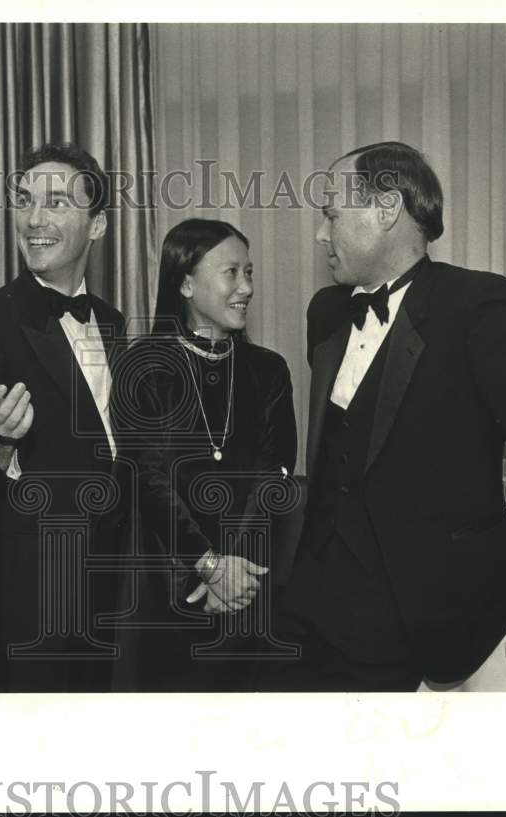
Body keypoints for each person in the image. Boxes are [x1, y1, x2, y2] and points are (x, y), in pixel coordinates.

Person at [268, 141, 506, 691]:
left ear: (386, 209)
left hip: (435, 616)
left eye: (331, 216)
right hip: (316, 608)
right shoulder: (328, 312)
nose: (321, 234)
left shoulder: (477, 307)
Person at [0, 142, 128, 692]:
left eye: (55, 203)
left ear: (96, 226)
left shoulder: (113, 321)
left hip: (115, 582)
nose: (33, 219)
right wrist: (0, 442)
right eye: (25, 201)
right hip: (33, 587)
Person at [111, 218, 297, 691]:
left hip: (249, 589)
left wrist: (235, 574)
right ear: (187, 283)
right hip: (165, 588)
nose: (247, 287)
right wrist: (209, 566)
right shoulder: (142, 364)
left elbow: (275, 476)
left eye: (249, 272)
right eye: (231, 273)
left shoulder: (268, 371)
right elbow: (146, 478)